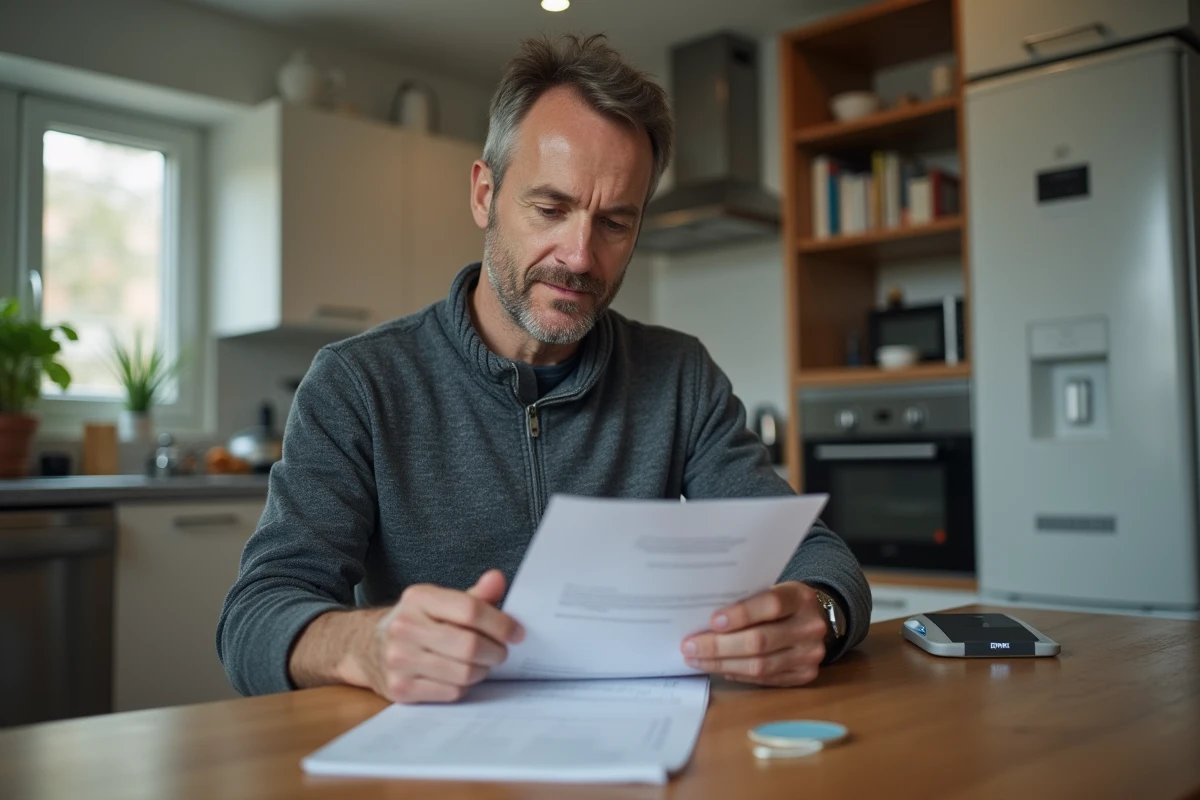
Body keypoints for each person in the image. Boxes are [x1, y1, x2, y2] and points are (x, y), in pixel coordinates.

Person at [218, 34, 870, 704]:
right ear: (484, 195)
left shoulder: (679, 377)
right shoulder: (359, 384)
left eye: (615, 223)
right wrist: (366, 644)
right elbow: (256, 617)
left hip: (640, 749)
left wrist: (818, 613)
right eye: (551, 209)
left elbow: (816, 555)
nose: (581, 256)